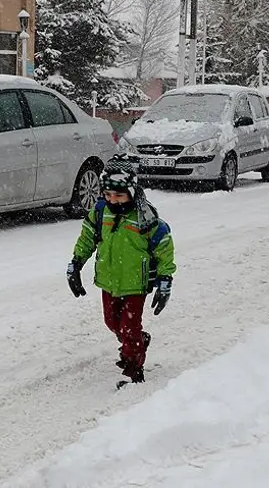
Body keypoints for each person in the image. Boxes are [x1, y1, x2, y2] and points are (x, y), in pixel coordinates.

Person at [66, 158, 176, 387]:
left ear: (131, 191)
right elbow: (87, 238)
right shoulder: (99, 213)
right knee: (111, 322)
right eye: (108, 195)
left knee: (129, 326)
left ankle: (134, 370)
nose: (112, 201)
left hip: (136, 283)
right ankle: (136, 341)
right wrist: (76, 264)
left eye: (119, 196)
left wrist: (165, 280)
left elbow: (164, 247)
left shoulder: (145, 217)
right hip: (109, 280)